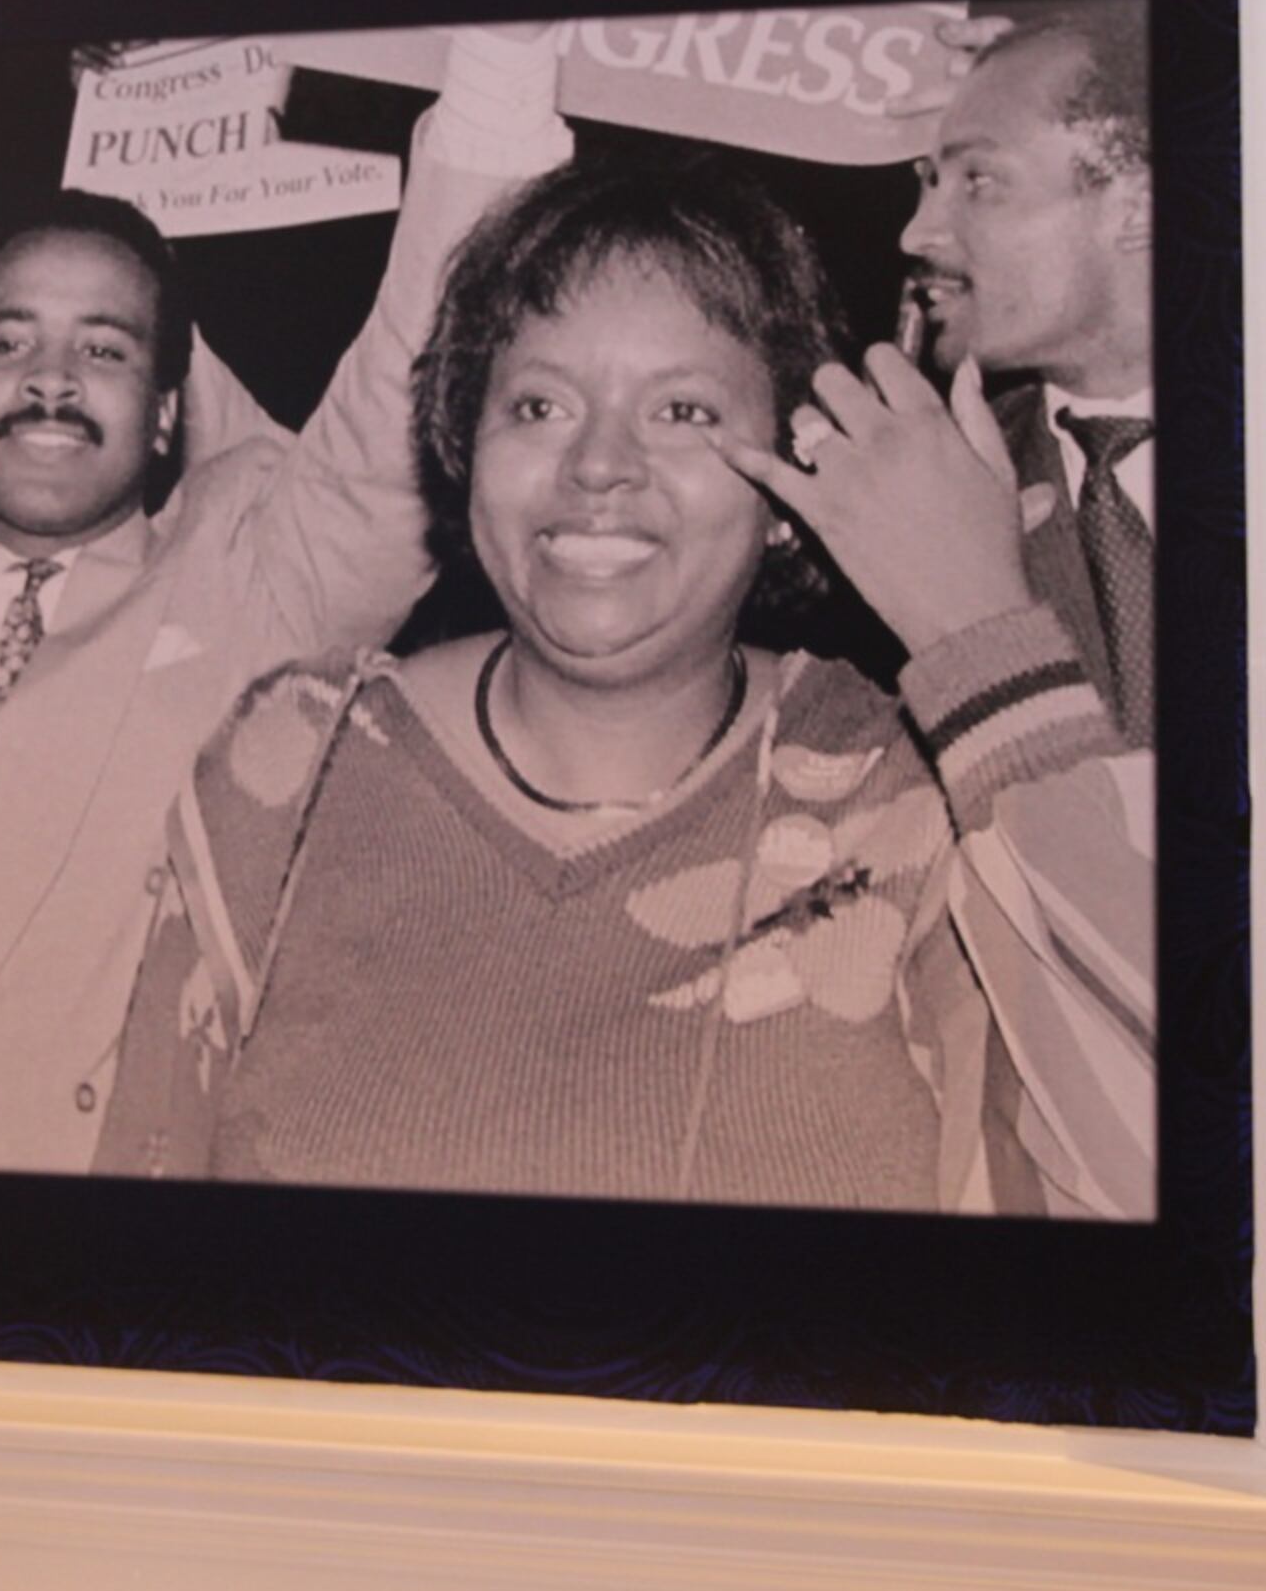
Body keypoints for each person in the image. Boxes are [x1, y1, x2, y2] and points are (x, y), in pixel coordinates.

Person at [97, 153, 1156, 1219]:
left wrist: (980, 634)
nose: (600, 463)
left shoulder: (914, 807)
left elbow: (1156, 1189)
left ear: (790, 484)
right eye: (541, 405)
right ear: (465, 449)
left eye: (684, 411)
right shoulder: (290, 767)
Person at [0, 31, 572, 1173]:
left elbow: (410, 373)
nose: (52, 377)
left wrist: (501, 66)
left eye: (104, 350)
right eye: (12, 340)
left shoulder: (252, 580)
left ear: (167, 413)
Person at [897, 0, 1156, 744]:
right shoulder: (931, 492)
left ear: (1137, 207)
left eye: (978, 182)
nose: (916, 232)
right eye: (927, 183)